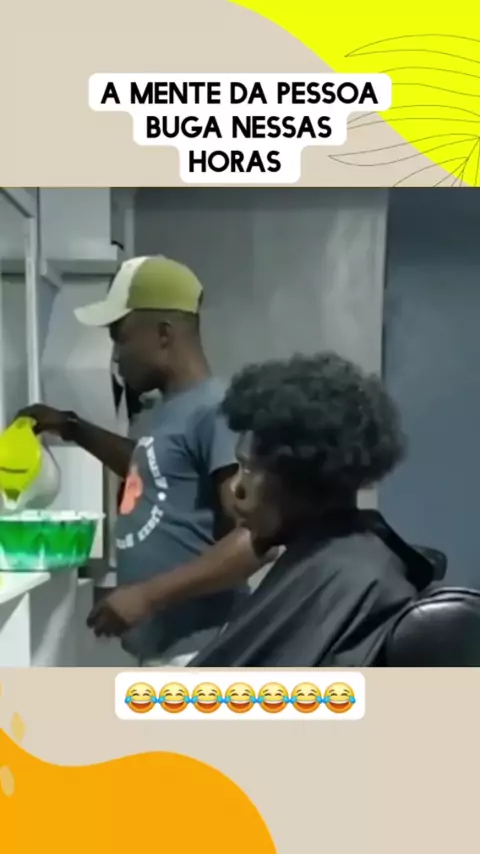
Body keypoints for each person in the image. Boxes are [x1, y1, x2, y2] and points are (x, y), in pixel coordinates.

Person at [19, 255, 273, 666]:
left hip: (202, 653)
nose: (116, 356)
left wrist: (147, 596)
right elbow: (150, 471)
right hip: (168, 651)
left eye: (120, 338)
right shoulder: (174, 409)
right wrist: (70, 426)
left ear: (163, 333)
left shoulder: (217, 410)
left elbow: (259, 538)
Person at [189, 352, 435, 668]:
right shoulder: (331, 558)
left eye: (249, 468)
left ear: (301, 475)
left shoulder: (351, 578)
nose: (237, 487)